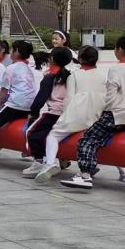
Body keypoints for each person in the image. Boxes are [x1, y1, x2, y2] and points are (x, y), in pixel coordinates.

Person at [59, 36, 125, 190]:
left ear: (120, 49)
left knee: (87, 139)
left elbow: (110, 96)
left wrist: (103, 112)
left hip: (118, 115)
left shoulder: (117, 69)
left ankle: (85, 175)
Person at [0, 40, 38, 161]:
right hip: (29, 105)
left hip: (15, 103)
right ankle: (25, 151)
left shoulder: (11, 68)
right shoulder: (29, 68)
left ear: (16, 52)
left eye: (12, 49)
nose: (10, 52)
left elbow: (4, 91)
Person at [26, 48, 78, 181]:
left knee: (31, 133)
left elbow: (41, 97)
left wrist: (33, 112)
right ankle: (53, 160)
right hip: (66, 113)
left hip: (53, 113)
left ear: (52, 59)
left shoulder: (50, 76)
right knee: (47, 134)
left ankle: (39, 161)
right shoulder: (69, 75)